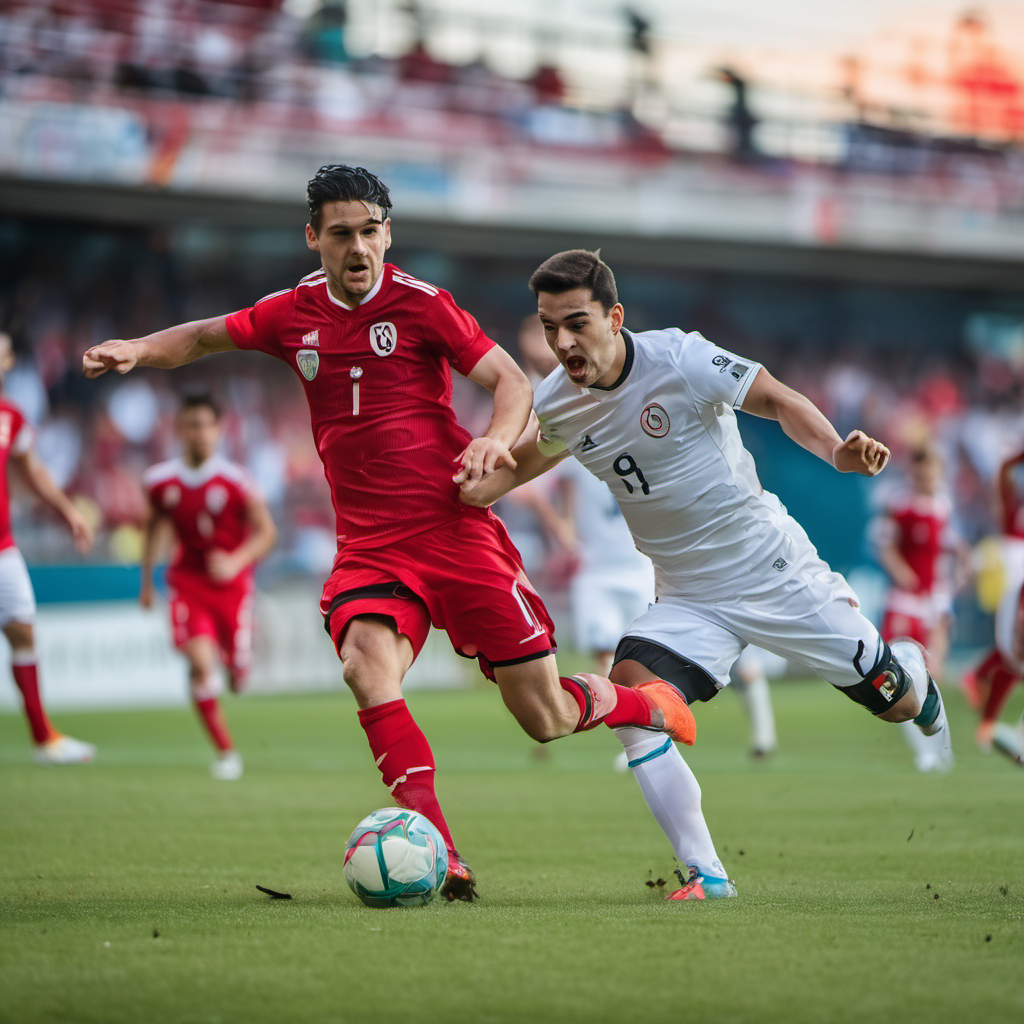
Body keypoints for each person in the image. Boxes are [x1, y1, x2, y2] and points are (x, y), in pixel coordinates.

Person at [83, 166, 690, 901]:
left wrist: (498, 441)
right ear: (315, 238)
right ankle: (444, 852)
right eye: (341, 234)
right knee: (366, 667)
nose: (359, 247)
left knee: (547, 717)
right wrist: (138, 350)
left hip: (457, 533)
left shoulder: (422, 305)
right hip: (371, 547)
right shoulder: (291, 313)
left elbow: (512, 383)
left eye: (371, 231)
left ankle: (645, 704)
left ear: (387, 233)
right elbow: (207, 338)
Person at [459, 249, 951, 901]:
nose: (562, 342)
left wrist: (836, 450)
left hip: (774, 570)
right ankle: (708, 874)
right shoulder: (559, 404)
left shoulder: (679, 358)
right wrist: (466, 473)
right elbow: (517, 469)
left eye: (576, 323)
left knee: (895, 702)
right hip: (689, 596)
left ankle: (912, 670)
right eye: (550, 328)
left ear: (615, 317)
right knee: (632, 702)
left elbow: (775, 398)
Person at [140, 394, 278, 781]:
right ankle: (225, 752)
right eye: (190, 425)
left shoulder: (237, 482)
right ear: (179, 430)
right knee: (201, 664)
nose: (197, 433)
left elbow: (267, 534)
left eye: (205, 425)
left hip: (232, 587)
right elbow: (153, 529)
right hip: (187, 581)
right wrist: (146, 580)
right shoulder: (159, 481)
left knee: (235, 676)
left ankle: (238, 661)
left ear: (219, 429)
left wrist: (235, 561)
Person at [0, 331, 96, 765]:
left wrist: (68, 511)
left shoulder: (10, 417)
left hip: (3, 547)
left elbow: (33, 471)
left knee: (22, 629)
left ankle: (44, 739)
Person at [874, 444, 968, 772]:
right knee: (898, 682)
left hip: (933, 603)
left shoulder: (943, 506)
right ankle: (925, 755)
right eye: (920, 474)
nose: (926, 479)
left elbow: (953, 550)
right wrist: (902, 571)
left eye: (930, 473)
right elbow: (885, 545)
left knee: (933, 678)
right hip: (903, 603)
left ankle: (943, 751)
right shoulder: (899, 504)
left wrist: (955, 580)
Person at [964, 443, 1024, 766]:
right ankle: (994, 725)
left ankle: (981, 693)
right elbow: (1003, 472)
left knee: (1013, 661)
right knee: (1014, 658)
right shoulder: (1013, 508)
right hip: (1015, 582)